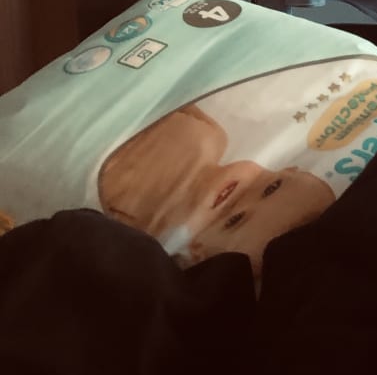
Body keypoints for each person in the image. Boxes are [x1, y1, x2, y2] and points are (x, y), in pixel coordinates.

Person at [98, 100, 335, 274]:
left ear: (197, 250)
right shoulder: (214, 137)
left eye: (235, 219)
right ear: (287, 169)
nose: (240, 196)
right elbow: (175, 95)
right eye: (271, 188)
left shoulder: (145, 220)